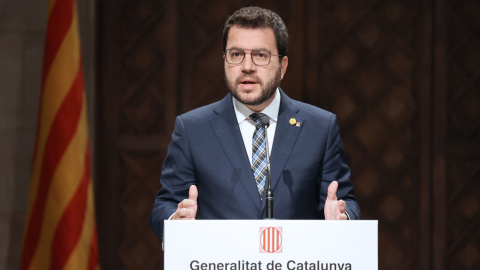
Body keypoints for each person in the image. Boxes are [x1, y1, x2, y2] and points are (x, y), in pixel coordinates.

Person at [150, 6, 360, 238]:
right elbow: (165, 206)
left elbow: (344, 201)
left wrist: (342, 218)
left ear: (283, 66)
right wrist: (175, 219)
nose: (247, 66)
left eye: (260, 55)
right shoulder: (192, 129)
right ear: (225, 61)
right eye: (236, 54)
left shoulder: (320, 127)